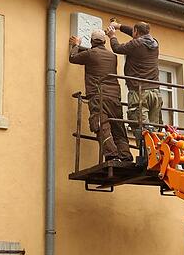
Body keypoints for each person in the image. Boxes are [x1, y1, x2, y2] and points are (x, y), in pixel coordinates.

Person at [69, 30, 132, 162]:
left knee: (100, 124)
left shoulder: (91, 53)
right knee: (118, 126)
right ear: (104, 41)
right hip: (114, 96)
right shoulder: (113, 56)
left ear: (92, 42)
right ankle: (125, 155)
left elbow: (73, 58)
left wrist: (76, 45)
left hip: (99, 95)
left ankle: (112, 154)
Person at [106, 20, 163, 140]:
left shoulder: (136, 44)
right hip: (155, 93)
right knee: (155, 132)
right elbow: (135, 33)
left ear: (136, 31)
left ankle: (146, 156)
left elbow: (117, 48)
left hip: (139, 92)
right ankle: (155, 156)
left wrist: (112, 36)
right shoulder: (154, 43)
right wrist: (119, 26)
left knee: (141, 130)